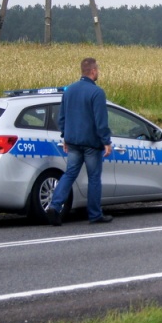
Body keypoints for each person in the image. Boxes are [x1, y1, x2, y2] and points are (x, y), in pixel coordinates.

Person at [46, 57, 113, 226]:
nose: (98, 72)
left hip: (73, 142)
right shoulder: (97, 92)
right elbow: (100, 120)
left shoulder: (69, 91)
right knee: (94, 178)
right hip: (91, 143)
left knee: (69, 174)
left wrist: (65, 136)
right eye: (97, 69)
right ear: (92, 71)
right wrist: (106, 141)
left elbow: (61, 117)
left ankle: (54, 206)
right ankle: (95, 214)